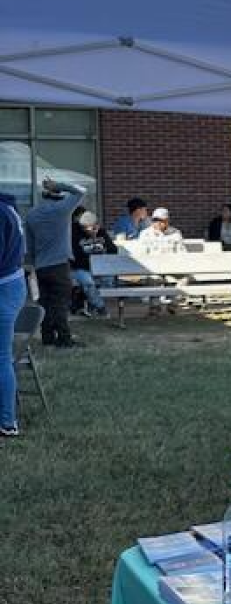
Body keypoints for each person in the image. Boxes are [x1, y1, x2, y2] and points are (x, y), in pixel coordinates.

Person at [26, 178, 86, 347]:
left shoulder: (32, 214)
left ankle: (47, 337)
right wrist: (57, 185)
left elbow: (29, 247)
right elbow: (80, 191)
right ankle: (64, 339)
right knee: (60, 303)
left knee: (45, 302)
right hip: (59, 264)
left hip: (40, 266)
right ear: (59, 197)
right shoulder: (62, 209)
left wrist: (31, 268)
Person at [0, 190, 25, 436]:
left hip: (3, 288)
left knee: (1, 359)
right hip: (14, 283)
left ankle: (7, 422)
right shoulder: (9, 208)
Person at [71, 210, 116, 318]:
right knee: (88, 283)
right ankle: (101, 308)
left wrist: (99, 243)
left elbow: (113, 250)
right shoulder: (74, 234)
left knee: (109, 281)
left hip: (100, 268)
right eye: (88, 227)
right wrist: (93, 250)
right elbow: (75, 256)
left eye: (95, 227)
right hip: (81, 268)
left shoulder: (102, 233)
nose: (92, 230)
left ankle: (92, 304)